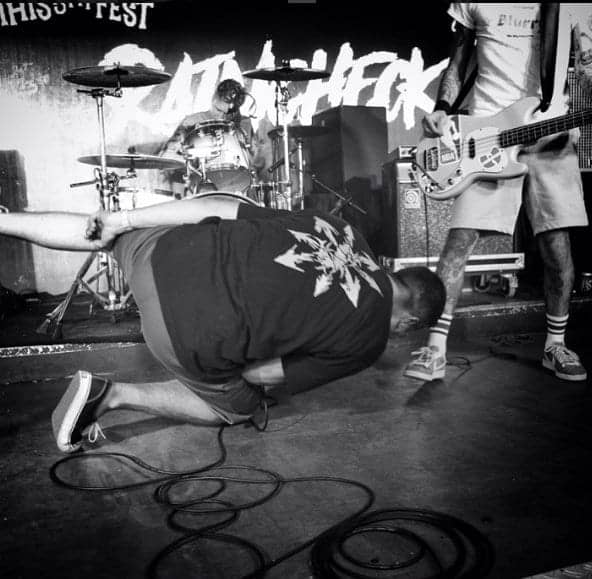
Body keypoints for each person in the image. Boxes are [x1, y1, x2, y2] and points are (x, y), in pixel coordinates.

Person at [0, 196, 445, 453]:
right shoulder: (370, 343)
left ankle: (4, 219)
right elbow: (261, 375)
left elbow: (223, 206)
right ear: (408, 322)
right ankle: (111, 395)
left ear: (396, 272)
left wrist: (123, 220)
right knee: (238, 405)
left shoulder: (339, 224)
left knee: (99, 233)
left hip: (168, 252)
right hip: (182, 332)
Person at [405, 3, 592, 383]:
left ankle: (555, 345)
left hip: (549, 134)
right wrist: (442, 107)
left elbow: (587, 62)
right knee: (458, 243)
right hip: (486, 137)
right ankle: (435, 349)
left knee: (557, 248)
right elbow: (458, 62)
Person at [158, 78, 268, 198]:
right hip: (197, 188)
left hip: (233, 188)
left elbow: (255, 164)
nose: (221, 116)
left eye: (228, 113)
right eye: (218, 110)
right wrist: (188, 156)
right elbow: (167, 157)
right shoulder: (191, 122)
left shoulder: (243, 126)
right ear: (213, 99)